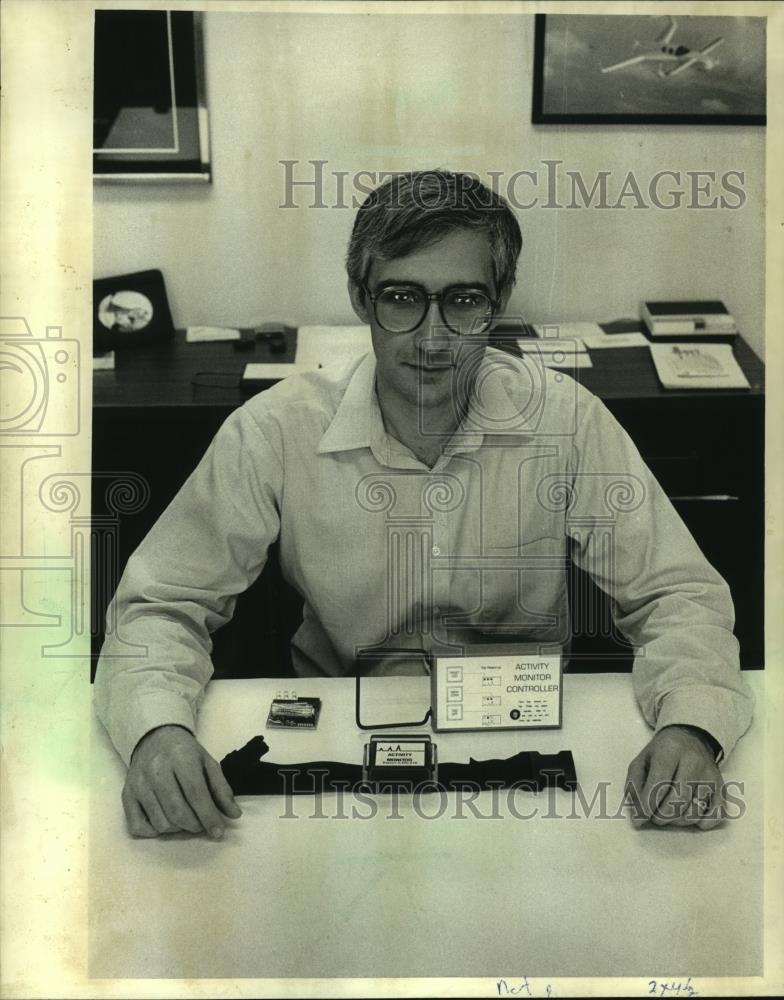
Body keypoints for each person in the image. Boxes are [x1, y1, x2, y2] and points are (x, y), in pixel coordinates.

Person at [95, 169, 753, 839]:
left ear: (499, 301)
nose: (433, 337)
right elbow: (161, 605)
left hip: (529, 742)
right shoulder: (274, 431)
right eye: (403, 297)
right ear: (360, 297)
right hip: (339, 743)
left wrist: (692, 726)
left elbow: (679, 597)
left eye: (463, 299)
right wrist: (157, 731)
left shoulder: (566, 421)